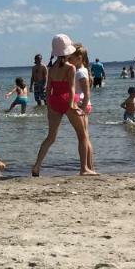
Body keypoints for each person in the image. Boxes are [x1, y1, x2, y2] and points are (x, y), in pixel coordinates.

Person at [32, 34, 96, 177]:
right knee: (82, 135)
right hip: (67, 100)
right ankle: (84, 168)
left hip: (54, 100)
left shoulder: (51, 68)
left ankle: (36, 166)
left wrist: (49, 104)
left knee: (51, 137)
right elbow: (72, 88)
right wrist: (72, 104)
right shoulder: (70, 68)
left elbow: (48, 89)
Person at [72, 45, 95, 173]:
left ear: (79, 58)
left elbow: (86, 93)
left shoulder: (80, 72)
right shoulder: (81, 70)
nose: (69, 59)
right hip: (83, 104)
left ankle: (87, 167)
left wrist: (82, 108)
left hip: (82, 105)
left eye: (71, 57)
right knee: (85, 137)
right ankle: (89, 167)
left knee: (83, 137)